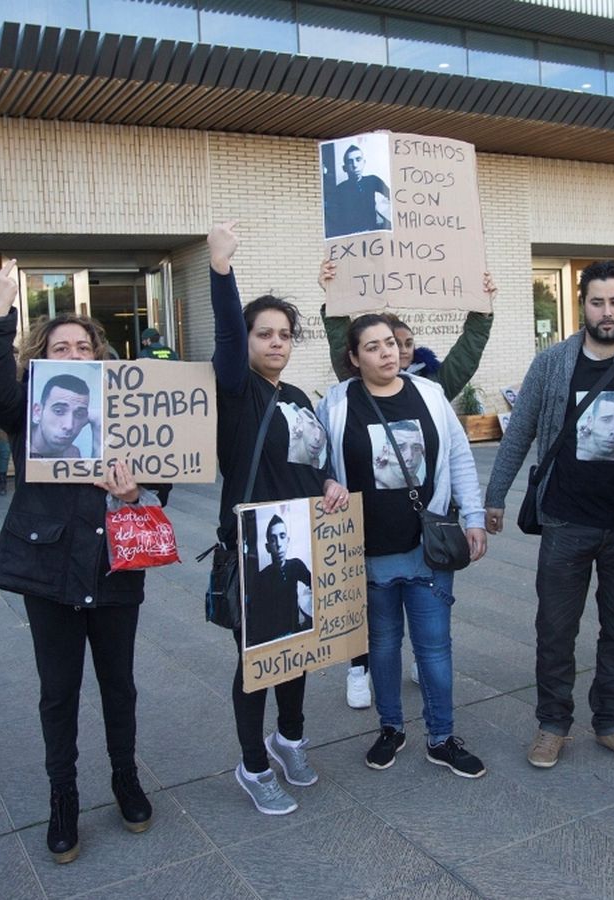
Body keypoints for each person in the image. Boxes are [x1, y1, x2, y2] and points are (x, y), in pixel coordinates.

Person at [0, 259, 165, 864]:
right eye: (61, 347)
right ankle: (64, 796)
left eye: (84, 347)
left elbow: (164, 473)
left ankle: (125, 778)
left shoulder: (126, 410)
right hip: (49, 569)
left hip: (114, 566)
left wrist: (136, 494)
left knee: (119, 685)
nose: (75, 354)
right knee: (58, 692)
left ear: (100, 355)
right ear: (42, 358)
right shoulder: (27, 409)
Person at [482, 259, 614, 769]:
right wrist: (495, 495)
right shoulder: (551, 363)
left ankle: (613, 721)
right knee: (555, 629)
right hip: (565, 521)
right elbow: (520, 432)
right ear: (582, 306)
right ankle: (552, 724)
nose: (607, 312)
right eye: (597, 302)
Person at [209, 221, 349, 816]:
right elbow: (225, 335)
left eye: (284, 335)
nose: (275, 343)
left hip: (302, 538)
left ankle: (290, 739)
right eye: (263, 333)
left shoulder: (296, 396)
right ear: (246, 340)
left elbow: (312, 461)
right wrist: (221, 269)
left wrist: (330, 481)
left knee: (299, 649)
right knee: (257, 661)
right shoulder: (235, 390)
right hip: (252, 546)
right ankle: (253, 764)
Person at [318, 313, 490, 778]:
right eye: (372, 347)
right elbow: (317, 461)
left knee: (434, 649)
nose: (386, 353)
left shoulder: (429, 394)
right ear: (354, 358)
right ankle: (390, 728)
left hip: (427, 551)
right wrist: (328, 481)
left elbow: (459, 457)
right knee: (383, 647)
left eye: (391, 343)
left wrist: (474, 517)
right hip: (368, 554)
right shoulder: (336, 403)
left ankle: (441, 736)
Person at [244, 514, 314, 646]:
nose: (279, 544)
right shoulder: (261, 577)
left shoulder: (295, 565)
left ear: (288, 540)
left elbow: (315, 585)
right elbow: (256, 617)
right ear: (267, 547)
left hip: (295, 634)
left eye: (282, 537)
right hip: (272, 640)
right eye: (273, 539)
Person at [327, 145, 390, 237]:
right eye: (350, 162)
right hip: (351, 236)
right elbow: (333, 220)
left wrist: (384, 215)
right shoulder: (338, 190)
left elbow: (392, 196)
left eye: (358, 159)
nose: (355, 165)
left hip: (373, 234)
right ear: (344, 168)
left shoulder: (373, 180)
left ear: (364, 163)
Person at [28, 373, 96, 459]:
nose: (69, 426)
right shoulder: (21, 442)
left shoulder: (72, 453)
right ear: (37, 412)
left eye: (79, 414)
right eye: (58, 411)